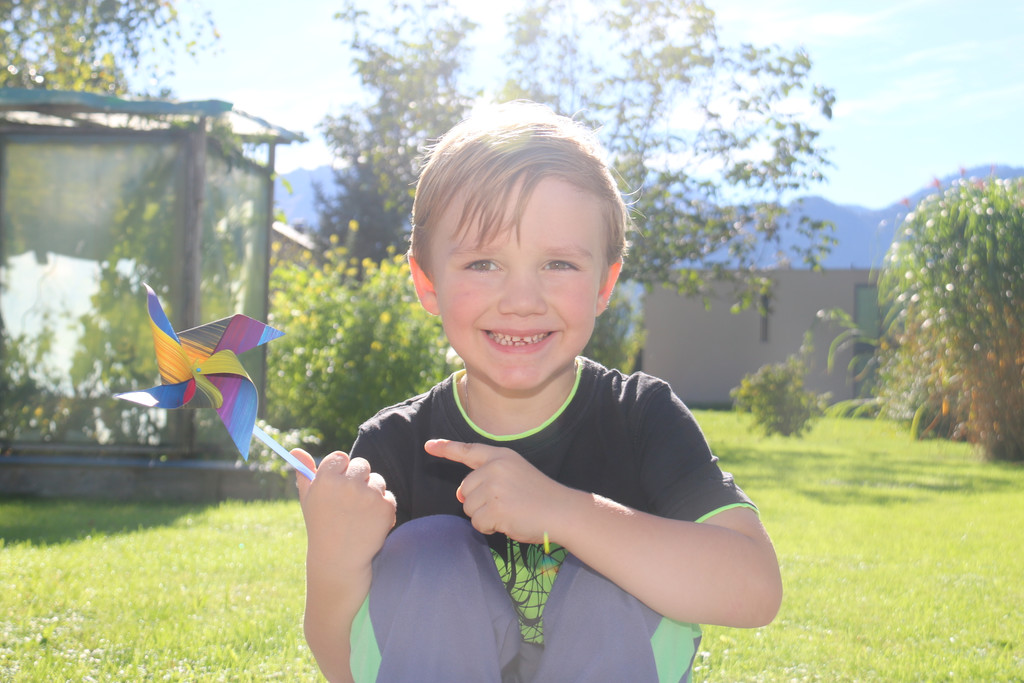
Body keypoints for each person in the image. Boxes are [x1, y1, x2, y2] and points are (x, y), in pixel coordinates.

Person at [291, 101, 782, 683]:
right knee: (428, 554)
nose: (522, 301)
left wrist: (565, 511)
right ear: (428, 283)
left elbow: (756, 589)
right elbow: (346, 668)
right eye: (483, 263)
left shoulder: (641, 418)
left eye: (558, 264)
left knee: (610, 584)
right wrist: (333, 558)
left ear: (604, 284)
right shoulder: (394, 447)